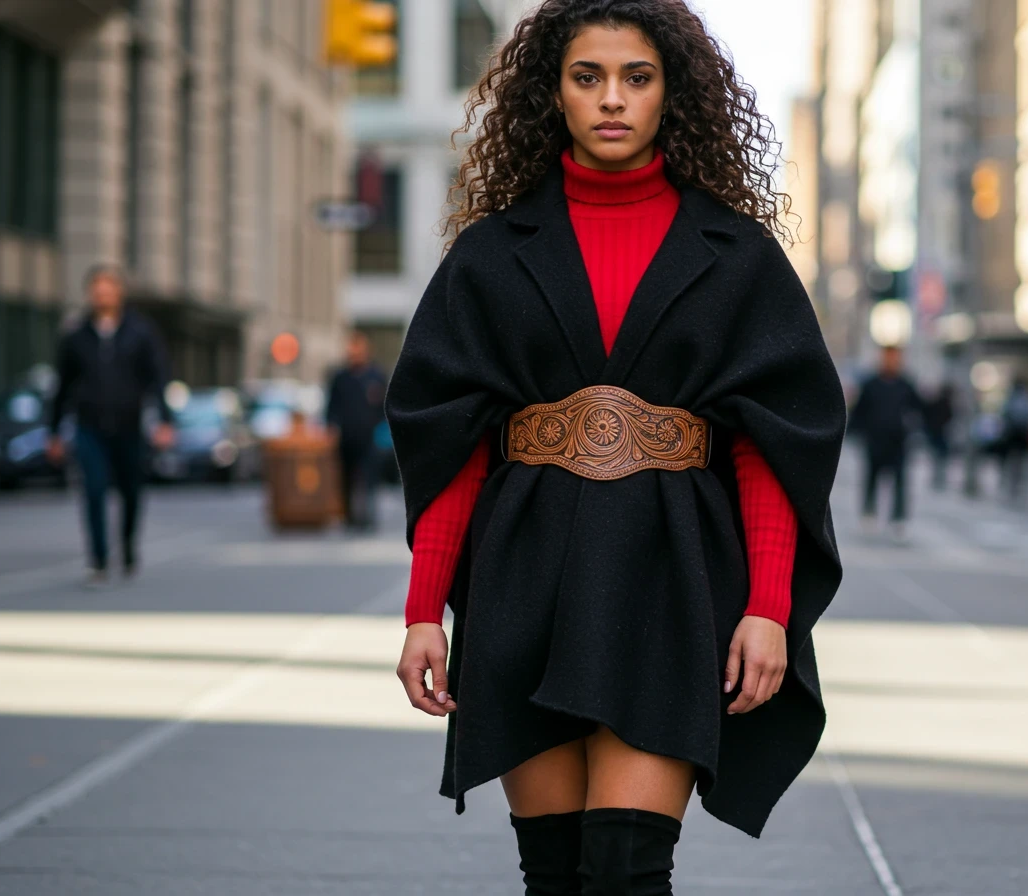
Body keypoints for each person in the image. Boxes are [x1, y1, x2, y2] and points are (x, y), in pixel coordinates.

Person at [384, 2, 847, 891]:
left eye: (637, 77)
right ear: (551, 93)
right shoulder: (489, 254)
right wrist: (422, 612)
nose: (611, 99)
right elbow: (453, 444)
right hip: (522, 583)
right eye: (587, 77)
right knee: (552, 876)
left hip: (672, 583)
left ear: (671, 93)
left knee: (629, 870)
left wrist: (769, 608)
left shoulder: (737, 254)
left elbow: (769, 446)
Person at [46, 264, 175, 586]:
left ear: (119, 293)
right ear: (90, 294)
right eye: (97, 290)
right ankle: (99, 559)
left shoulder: (140, 332)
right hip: (89, 426)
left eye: (108, 289)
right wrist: (54, 431)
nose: (102, 295)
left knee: (131, 491)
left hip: (129, 426)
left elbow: (158, 378)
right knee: (93, 489)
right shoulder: (76, 336)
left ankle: (128, 547)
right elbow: (61, 386)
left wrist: (165, 420)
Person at [847, 345, 923, 540]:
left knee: (899, 481)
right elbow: (859, 412)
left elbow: (918, 409)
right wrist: (855, 432)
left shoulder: (906, 384)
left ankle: (898, 519)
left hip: (898, 442)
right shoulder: (870, 384)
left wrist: (913, 429)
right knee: (871, 479)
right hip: (875, 441)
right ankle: (869, 513)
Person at [325, 331, 388, 530]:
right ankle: (348, 517)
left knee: (369, 478)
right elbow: (332, 407)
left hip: (370, 437)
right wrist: (332, 426)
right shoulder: (340, 377)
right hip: (346, 436)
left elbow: (385, 406)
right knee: (346, 478)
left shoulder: (376, 376)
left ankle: (368, 516)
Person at [1000, 376, 1028, 504]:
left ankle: (1013, 484)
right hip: (1022, 435)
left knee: (1013, 460)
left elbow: (1005, 415)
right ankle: (1018, 484)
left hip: (1014, 434)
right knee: (1020, 461)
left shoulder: (1011, 399)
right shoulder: (1026, 399)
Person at [922, 382, 955, 491]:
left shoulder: (938, 403)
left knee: (938, 458)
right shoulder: (944, 404)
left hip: (937, 434)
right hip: (939, 434)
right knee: (940, 458)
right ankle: (938, 479)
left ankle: (937, 479)